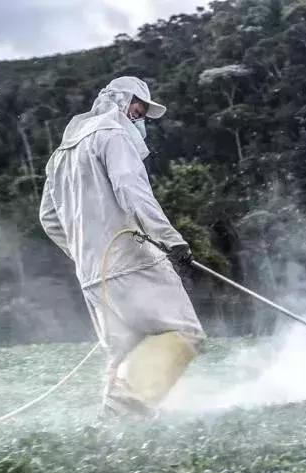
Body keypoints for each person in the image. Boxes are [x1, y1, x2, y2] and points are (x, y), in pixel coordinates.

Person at [39, 76, 205, 417]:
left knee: (125, 350)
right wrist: (171, 239)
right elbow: (132, 190)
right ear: (119, 101)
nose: (139, 118)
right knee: (185, 331)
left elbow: (49, 218)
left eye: (142, 113)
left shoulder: (61, 154)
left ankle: (114, 430)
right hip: (132, 259)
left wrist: (85, 251)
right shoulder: (112, 135)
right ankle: (127, 408)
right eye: (137, 109)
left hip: (92, 272)